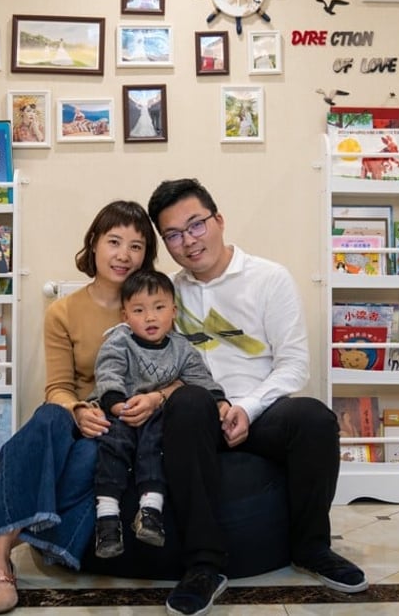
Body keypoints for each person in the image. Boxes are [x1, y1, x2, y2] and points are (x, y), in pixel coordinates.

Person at [147, 178, 368, 616]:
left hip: (261, 409)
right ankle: (204, 565)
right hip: (199, 412)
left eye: (196, 225)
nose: (188, 241)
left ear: (219, 220)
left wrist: (247, 407)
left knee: (315, 418)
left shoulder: (268, 278)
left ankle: (311, 547)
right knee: (187, 403)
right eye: (173, 235)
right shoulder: (166, 295)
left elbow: (294, 365)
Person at [0, 200, 159, 614]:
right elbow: (57, 386)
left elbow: (172, 367)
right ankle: (2, 556)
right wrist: (76, 409)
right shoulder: (64, 311)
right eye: (114, 242)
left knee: (90, 457)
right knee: (46, 418)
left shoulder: (154, 303)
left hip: (119, 423)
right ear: (93, 244)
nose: (124, 255)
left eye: (136, 246)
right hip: (75, 413)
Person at [89, 269, 225, 559]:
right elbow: (108, 371)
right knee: (114, 444)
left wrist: (219, 402)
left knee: (155, 445)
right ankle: (107, 516)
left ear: (173, 311)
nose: (150, 317)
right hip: (122, 411)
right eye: (139, 310)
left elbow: (200, 378)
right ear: (125, 316)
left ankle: (150, 511)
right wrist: (117, 405)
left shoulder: (181, 348)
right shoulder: (120, 341)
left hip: (158, 415)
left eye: (159, 308)